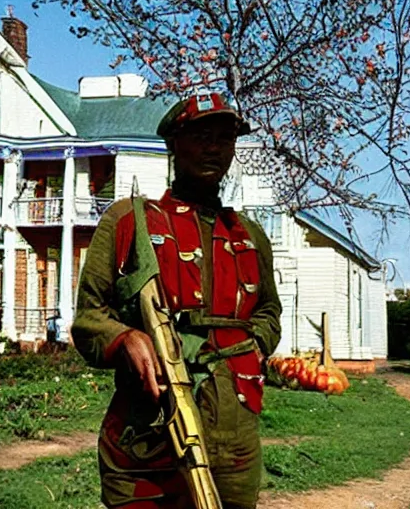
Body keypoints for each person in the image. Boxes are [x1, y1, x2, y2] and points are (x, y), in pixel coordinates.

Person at [72, 92, 282, 509]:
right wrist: (126, 338)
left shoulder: (250, 236)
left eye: (224, 138)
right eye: (200, 135)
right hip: (147, 439)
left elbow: (269, 312)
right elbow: (88, 318)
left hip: (234, 439)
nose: (213, 147)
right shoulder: (129, 221)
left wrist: (253, 345)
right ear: (173, 144)